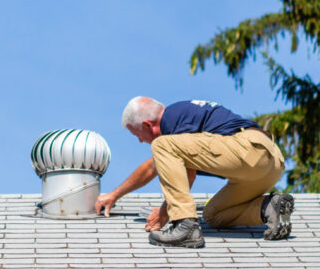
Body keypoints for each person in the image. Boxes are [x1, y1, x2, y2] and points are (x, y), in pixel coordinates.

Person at [95, 96, 294, 248]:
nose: (140, 140)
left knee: (161, 145)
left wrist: (166, 213)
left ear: (147, 125)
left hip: (248, 149)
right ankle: (269, 207)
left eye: (137, 134)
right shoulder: (181, 122)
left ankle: (186, 227)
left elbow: (187, 174)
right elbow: (152, 167)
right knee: (214, 215)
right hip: (269, 164)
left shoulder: (172, 117)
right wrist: (114, 195)